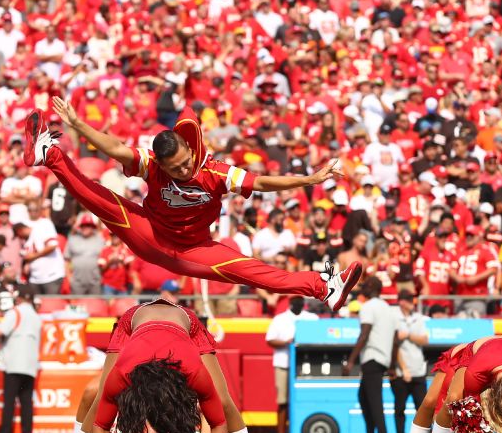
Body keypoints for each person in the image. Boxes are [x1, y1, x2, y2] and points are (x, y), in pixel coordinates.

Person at [29, 101, 362, 313]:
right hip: (154, 235)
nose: (184, 171)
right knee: (100, 199)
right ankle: (50, 154)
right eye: (175, 169)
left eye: (186, 162)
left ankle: (324, 287)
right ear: (161, 162)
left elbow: (261, 182)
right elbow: (115, 148)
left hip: (193, 249)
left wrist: (307, 180)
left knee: (251, 269)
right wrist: (77, 124)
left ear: (191, 147)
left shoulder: (216, 172)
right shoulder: (151, 165)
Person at [56, 298, 269, 433]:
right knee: (99, 399)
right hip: (132, 323)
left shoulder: (195, 373)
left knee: (224, 402)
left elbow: (219, 422)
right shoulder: (121, 376)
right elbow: (100, 425)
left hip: (186, 324)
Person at [343, 276, 401, 433]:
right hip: (382, 359)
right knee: (364, 398)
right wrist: (391, 365)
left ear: (373, 288)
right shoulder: (389, 309)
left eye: (365, 285)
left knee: (374, 400)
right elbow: (395, 340)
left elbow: (364, 334)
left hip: (371, 358)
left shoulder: (367, 307)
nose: (362, 288)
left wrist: (351, 361)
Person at [0, 286, 41, 433]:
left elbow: (0, 332)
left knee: (9, 402)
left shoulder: (15, 312)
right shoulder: (36, 316)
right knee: (26, 402)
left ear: (18, 298)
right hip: (30, 364)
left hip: (14, 362)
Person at [265, 297, 317, 433]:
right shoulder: (280, 319)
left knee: (304, 401)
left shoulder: (311, 318)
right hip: (284, 364)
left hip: (305, 365)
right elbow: (270, 339)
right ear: (291, 305)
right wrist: (286, 342)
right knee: (282, 401)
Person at [390, 292, 429, 433]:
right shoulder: (393, 318)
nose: (412, 303)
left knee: (423, 408)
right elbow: (394, 346)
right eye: (408, 300)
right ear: (402, 302)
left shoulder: (418, 318)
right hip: (401, 373)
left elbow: (424, 340)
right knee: (400, 408)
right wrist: (403, 368)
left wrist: (408, 335)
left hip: (418, 370)